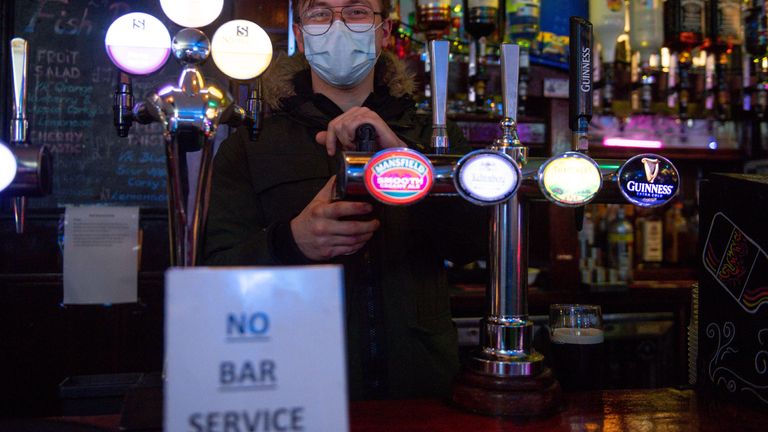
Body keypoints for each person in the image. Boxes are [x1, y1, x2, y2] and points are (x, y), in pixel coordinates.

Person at [202, 0, 487, 399]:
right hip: (297, 385)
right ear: (300, 36)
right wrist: (290, 241)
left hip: (419, 387)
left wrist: (407, 162)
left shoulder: (435, 138)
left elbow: (472, 245)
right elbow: (213, 275)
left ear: (384, 33)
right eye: (320, 13)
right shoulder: (250, 145)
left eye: (355, 11)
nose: (337, 26)